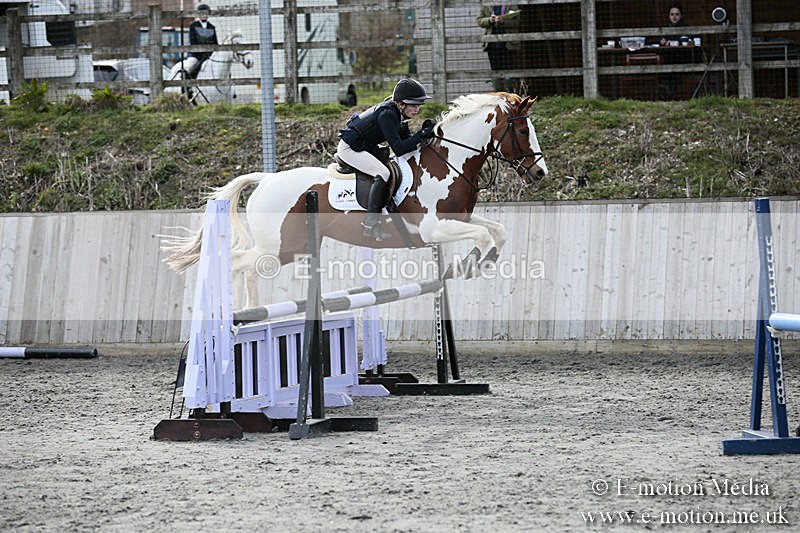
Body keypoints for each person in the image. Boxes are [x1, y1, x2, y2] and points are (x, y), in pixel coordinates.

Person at [337, 79, 435, 241]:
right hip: (350, 148)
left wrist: (423, 133)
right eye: (413, 105)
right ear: (400, 104)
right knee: (382, 172)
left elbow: (405, 140)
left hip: (365, 146)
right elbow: (399, 148)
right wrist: (420, 135)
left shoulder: (398, 113)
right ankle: (372, 223)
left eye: (418, 105)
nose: (417, 109)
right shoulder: (388, 114)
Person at [476, 5, 520, 91]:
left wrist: (503, 21)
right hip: (492, 45)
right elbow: (479, 20)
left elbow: (517, 21)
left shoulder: (511, 3)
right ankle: (498, 94)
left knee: (509, 70)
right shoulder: (486, 3)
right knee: (495, 71)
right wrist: (489, 20)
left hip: (508, 44)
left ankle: (509, 95)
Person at [186, 3, 218, 78]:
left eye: (206, 13)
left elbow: (215, 42)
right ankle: (187, 86)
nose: (204, 15)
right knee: (190, 66)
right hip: (196, 54)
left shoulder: (212, 27)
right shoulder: (193, 26)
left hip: (209, 55)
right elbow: (192, 41)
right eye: (202, 13)